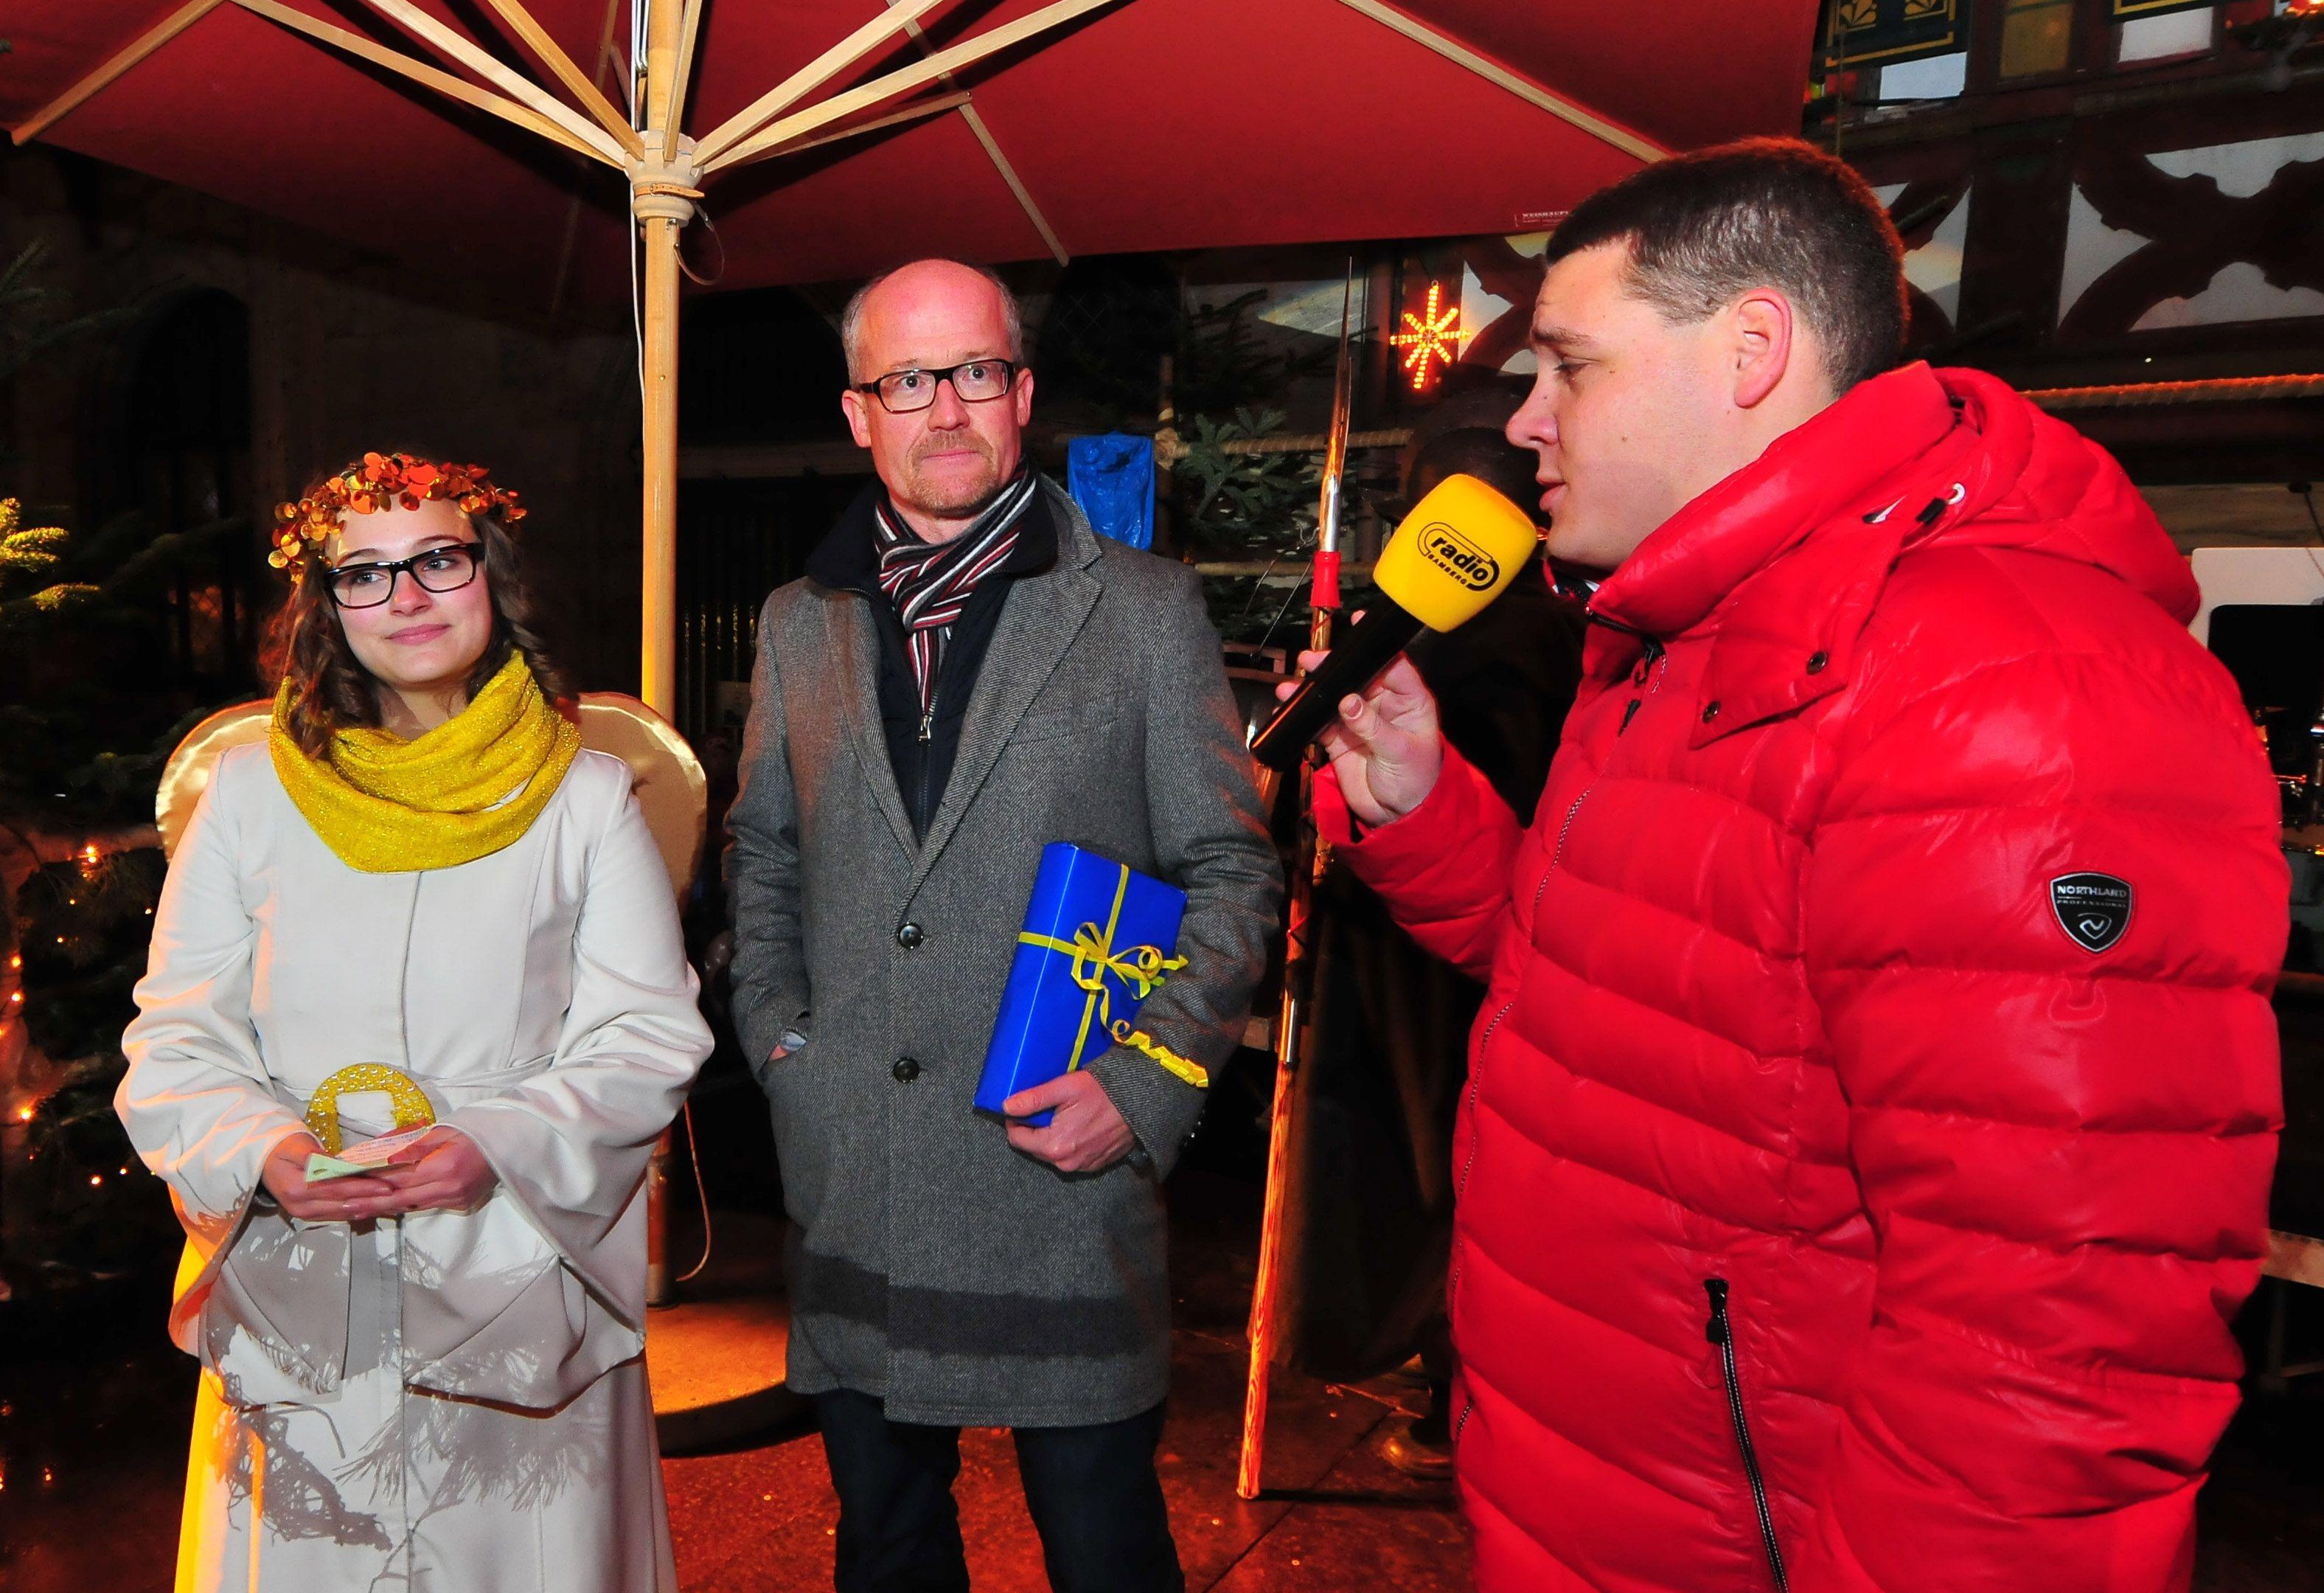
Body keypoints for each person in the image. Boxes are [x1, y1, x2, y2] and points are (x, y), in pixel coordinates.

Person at [1299, 139, 2285, 1590]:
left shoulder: (2011, 690)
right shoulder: (1680, 641)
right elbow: (1636, 1017)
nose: (1524, 421)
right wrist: (1422, 811)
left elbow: (2051, 1353)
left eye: (1568, 365)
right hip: (1600, 1516)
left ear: (1750, 349)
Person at [724, 259, 1280, 1593]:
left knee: (1104, 1555)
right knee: (890, 1550)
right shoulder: (801, 622)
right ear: (860, 413)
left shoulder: (1142, 610)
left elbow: (1232, 873)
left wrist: (1145, 1086)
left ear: (1022, 394)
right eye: (908, 380)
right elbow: (763, 852)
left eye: (974, 371)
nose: (945, 408)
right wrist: (780, 1041)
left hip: (1059, 1180)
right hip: (859, 1179)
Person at [117, 452, 713, 1591]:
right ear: (326, 609)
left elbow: (647, 1035)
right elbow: (175, 1039)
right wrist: (265, 1154)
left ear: (489, 575)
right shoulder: (251, 793)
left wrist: (493, 1146)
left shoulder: (584, 797)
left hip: (514, 1274)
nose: (407, 598)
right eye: (366, 575)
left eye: (439, 559)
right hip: (301, 1279)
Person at [1272, 417, 1585, 1482]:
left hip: (1453, 987)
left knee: (1451, 1183)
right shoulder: (1490, 638)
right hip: (1432, 940)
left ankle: (1463, 1389)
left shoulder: (1537, 648)